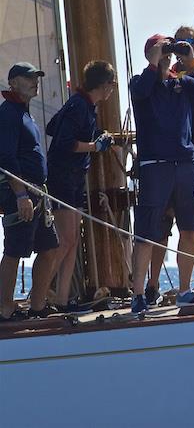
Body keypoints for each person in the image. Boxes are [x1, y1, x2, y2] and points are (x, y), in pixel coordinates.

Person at [128, 34, 194, 313]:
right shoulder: (141, 82)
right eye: (164, 53)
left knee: (190, 227)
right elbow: (142, 91)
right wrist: (154, 62)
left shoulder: (180, 83)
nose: (168, 58)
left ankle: (184, 290)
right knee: (147, 231)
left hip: (184, 164)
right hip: (155, 165)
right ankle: (138, 295)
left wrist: (191, 60)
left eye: (170, 54)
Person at [43, 61, 116, 312]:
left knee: (71, 241)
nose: (112, 90)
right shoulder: (79, 106)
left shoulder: (83, 105)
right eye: (111, 85)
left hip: (72, 178)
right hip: (63, 177)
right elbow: (64, 143)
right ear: (104, 84)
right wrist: (95, 146)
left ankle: (62, 299)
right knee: (65, 240)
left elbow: (52, 126)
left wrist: (96, 136)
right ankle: (38, 295)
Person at [0, 63, 59, 320]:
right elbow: (6, 158)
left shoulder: (24, 113)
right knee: (15, 249)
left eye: (36, 77)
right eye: (28, 78)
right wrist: (21, 195)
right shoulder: (9, 114)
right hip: (20, 193)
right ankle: (4, 308)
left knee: (49, 248)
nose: (35, 81)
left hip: (36, 193)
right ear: (13, 83)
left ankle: (37, 305)